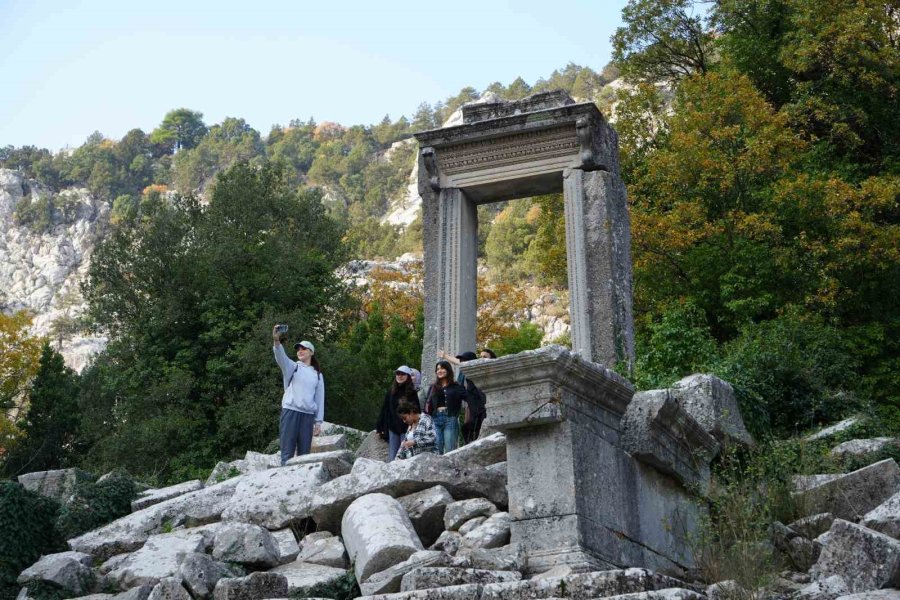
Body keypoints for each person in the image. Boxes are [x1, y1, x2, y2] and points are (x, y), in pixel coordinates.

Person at [272, 326, 324, 466]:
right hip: (291, 412)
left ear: (311, 352)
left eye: (303, 349)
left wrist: (318, 421)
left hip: (307, 416)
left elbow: (319, 398)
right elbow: (281, 357)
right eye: (298, 349)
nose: (300, 351)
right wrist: (277, 341)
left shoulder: (317, 375)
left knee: (304, 456)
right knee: (287, 453)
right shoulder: (292, 367)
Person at [377, 365, 419, 461]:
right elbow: (384, 409)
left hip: (407, 428)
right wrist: (380, 427)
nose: (399, 376)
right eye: (397, 373)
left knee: (406, 456)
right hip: (393, 428)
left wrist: (414, 427)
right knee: (392, 456)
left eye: (402, 374)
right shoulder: (391, 391)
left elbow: (416, 411)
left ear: (407, 376)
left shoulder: (412, 393)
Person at [425, 360, 469, 453]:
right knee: (437, 449)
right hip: (435, 420)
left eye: (442, 368)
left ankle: (452, 467)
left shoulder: (456, 386)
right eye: (437, 369)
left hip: (450, 419)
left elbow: (468, 397)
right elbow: (427, 404)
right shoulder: (433, 387)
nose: (439, 371)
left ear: (448, 370)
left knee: (450, 450)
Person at [454, 351, 488, 444]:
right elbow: (463, 391)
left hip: (481, 410)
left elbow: (479, 393)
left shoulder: (476, 374)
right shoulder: (465, 375)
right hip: (474, 409)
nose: (462, 363)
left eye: (464, 360)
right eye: (461, 361)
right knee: (467, 429)